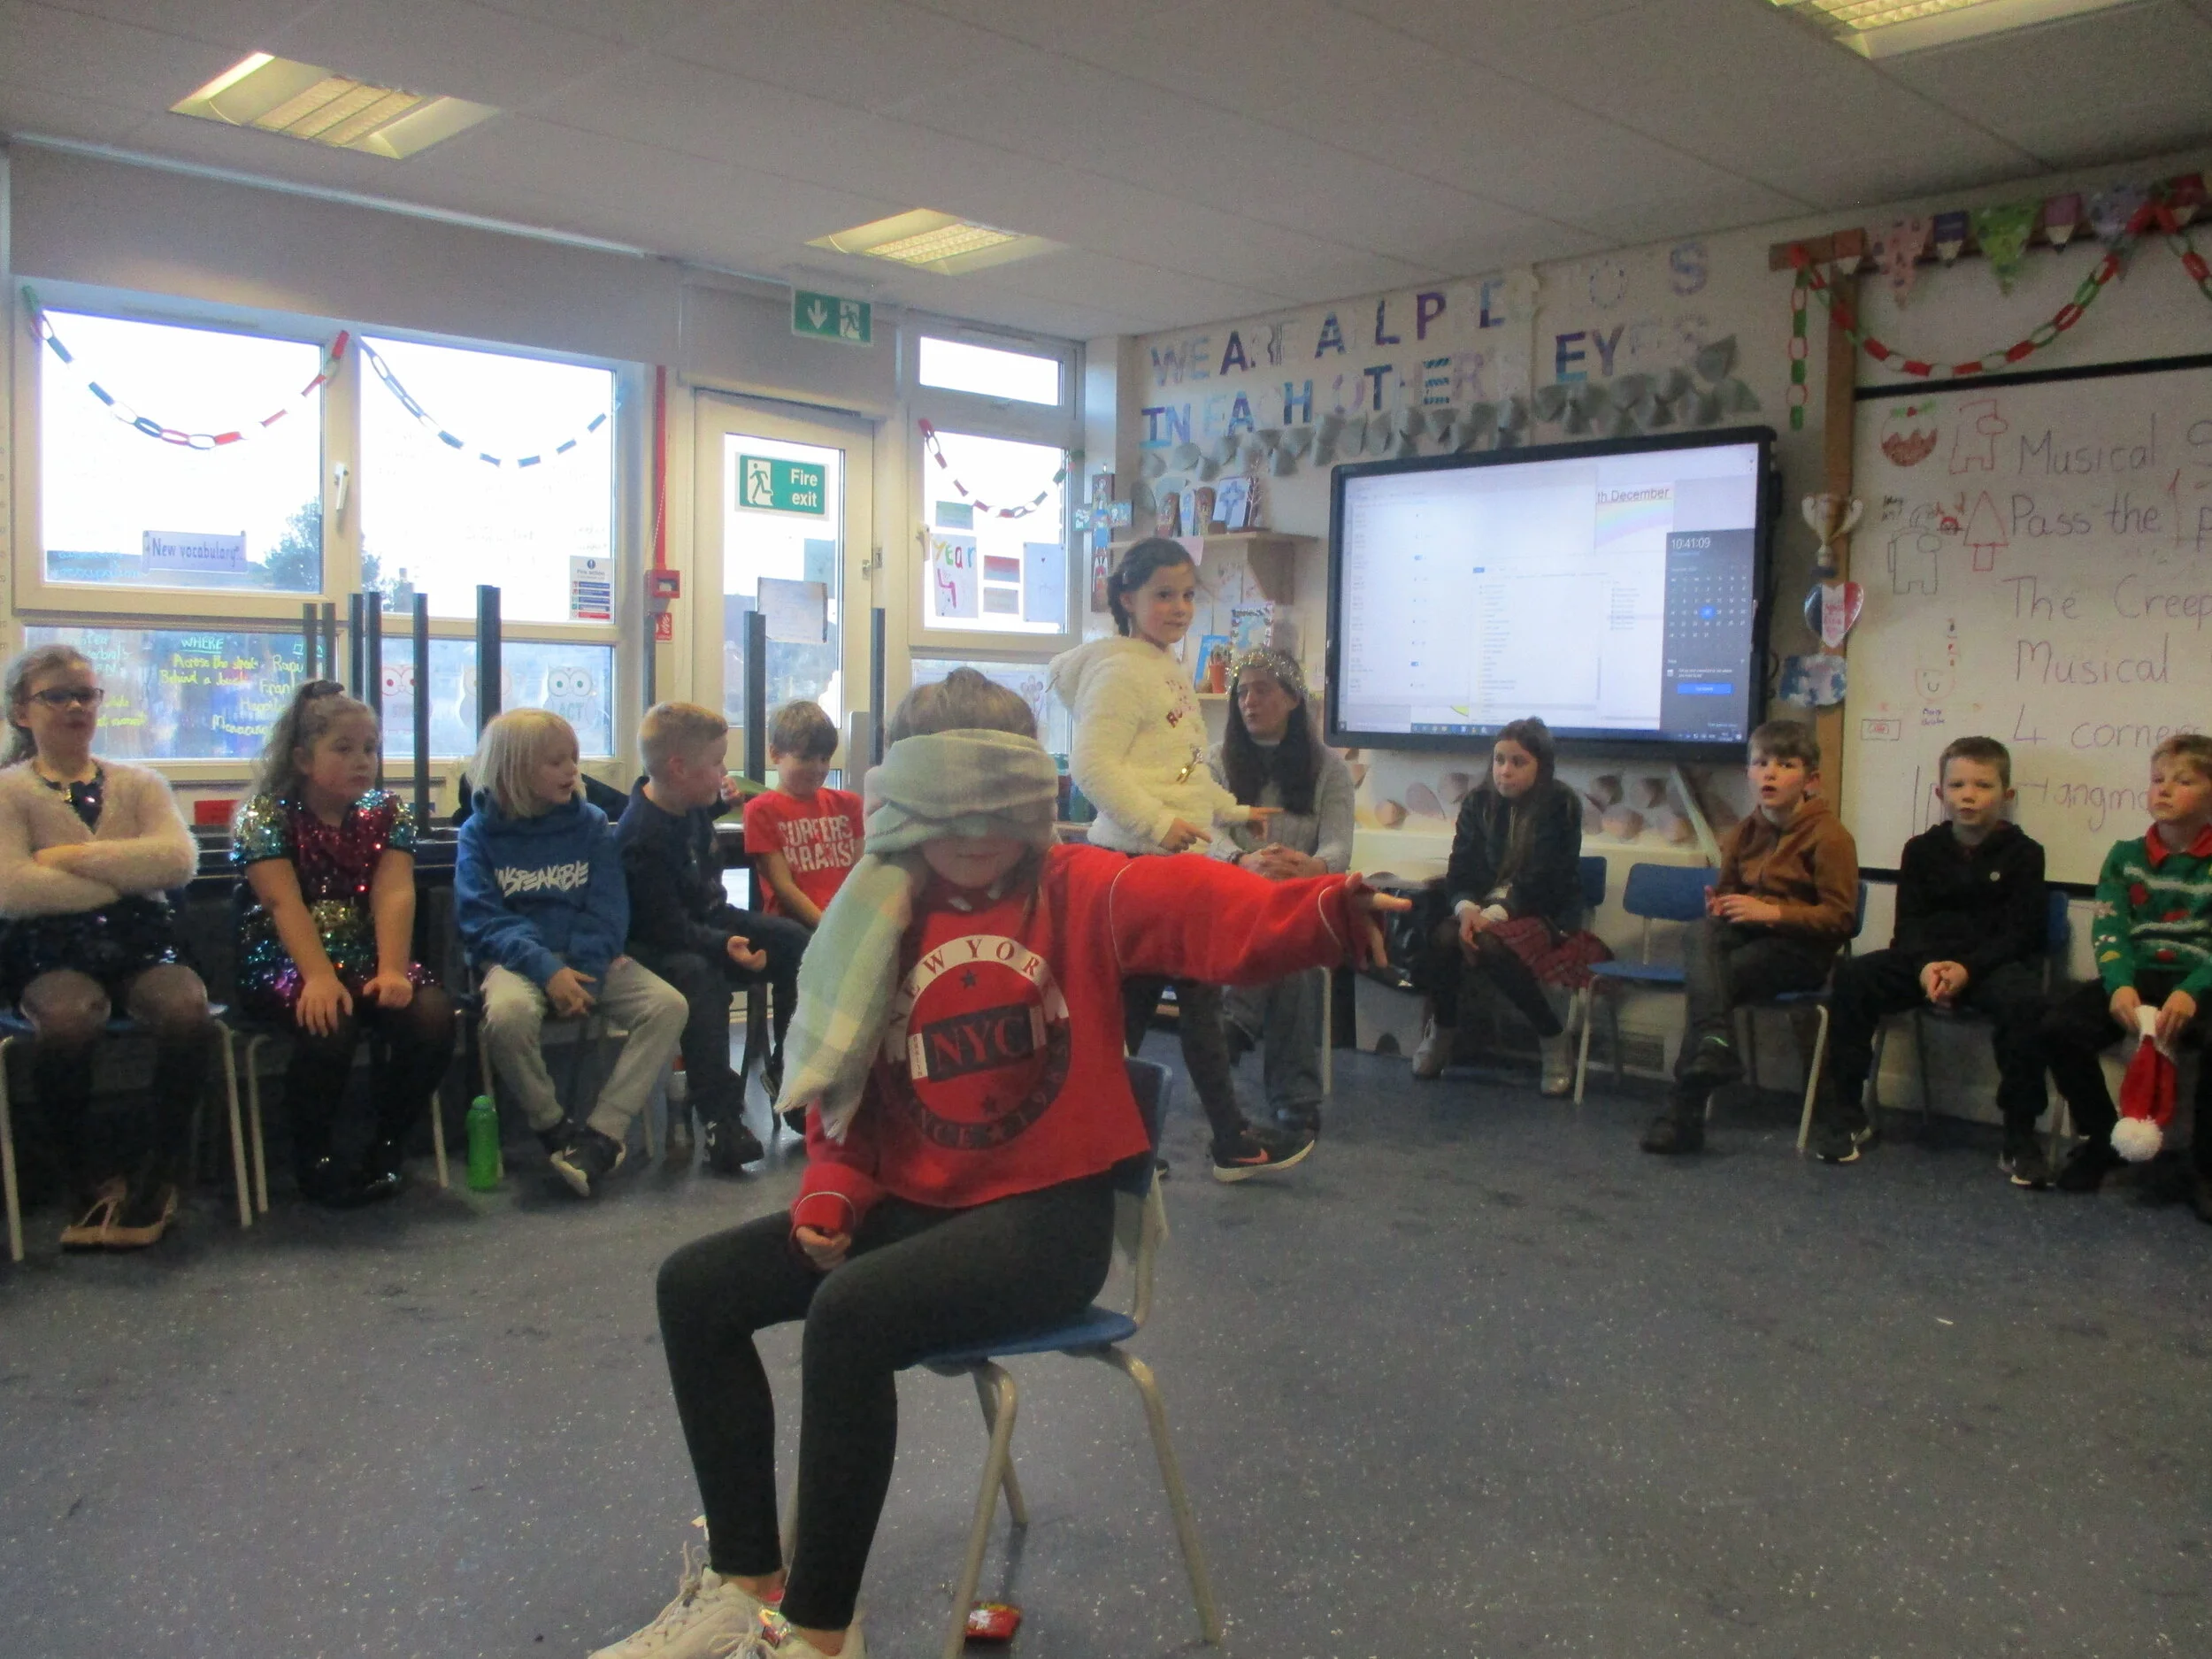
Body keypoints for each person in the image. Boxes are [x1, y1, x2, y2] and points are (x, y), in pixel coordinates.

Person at [595, 668, 1407, 1659]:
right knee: (694, 1288)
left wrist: (1325, 910)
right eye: (949, 810)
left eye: (995, 809)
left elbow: (1200, 903)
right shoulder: (877, 912)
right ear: (907, 806)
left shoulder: (1077, 889)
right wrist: (832, 1189)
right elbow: (847, 1081)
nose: (974, 833)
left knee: (850, 1316)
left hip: (1049, 1222)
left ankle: (817, 1630)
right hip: (920, 1203)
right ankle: (745, 1581)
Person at [1047, 537, 1308, 1182]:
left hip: (1168, 864)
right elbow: (1092, 766)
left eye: (1188, 594)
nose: (1180, 607)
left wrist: (1232, 810)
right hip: (1137, 865)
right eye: (1164, 594)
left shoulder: (1164, 665)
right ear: (1126, 598)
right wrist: (1160, 824)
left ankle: (1126, 1145)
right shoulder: (1119, 670)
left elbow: (1181, 770)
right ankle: (1153, 1144)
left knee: (1168, 1005)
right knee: (1159, 1006)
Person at [0, 643, 214, 1250]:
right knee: (67, 1021)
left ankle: (159, 1172)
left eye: (85, 695)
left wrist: (65, 858)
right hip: (49, 947)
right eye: (56, 696)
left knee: (187, 1011)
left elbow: (177, 861)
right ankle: (81, 1177)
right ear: (22, 712)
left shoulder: (141, 784)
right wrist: (124, 875)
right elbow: (12, 887)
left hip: (142, 942)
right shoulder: (8, 791)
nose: (75, 707)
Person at [233, 680, 457, 1207]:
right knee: (330, 1020)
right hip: (287, 957)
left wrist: (394, 970)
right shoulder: (265, 814)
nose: (362, 761)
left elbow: (394, 892)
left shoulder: (388, 811)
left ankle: (388, 1144)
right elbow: (282, 902)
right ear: (303, 759)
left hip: (367, 954)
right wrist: (316, 976)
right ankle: (314, 1157)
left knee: (432, 1014)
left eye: (370, 749)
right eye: (344, 748)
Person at [457, 709, 686, 1198]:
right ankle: (553, 1127)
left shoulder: (591, 824)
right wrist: (548, 970)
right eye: (555, 762)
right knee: (508, 1016)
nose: (571, 771)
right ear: (514, 769)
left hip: (588, 961)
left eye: (574, 759)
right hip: (518, 963)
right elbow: (483, 919)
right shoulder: (478, 833)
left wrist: (583, 971)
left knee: (668, 1005)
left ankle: (603, 1134)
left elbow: (608, 907)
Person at [1809, 735, 2050, 1177]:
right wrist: (1926, 969)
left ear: (2007, 795)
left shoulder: (2026, 854)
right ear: (1940, 793)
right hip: (1926, 964)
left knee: (2025, 1001)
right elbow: (1909, 927)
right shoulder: (1921, 850)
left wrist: (1967, 969)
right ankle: (1847, 1113)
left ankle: (2020, 1134)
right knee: (1855, 977)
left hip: (1988, 967)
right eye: (1957, 785)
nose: (1968, 795)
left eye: (1983, 785)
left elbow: (2022, 934)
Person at [1641, 718, 1859, 1156]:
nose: (1770, 773)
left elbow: (1841, 919)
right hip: (1747, 938)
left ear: (1811, 780)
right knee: (1701, 932)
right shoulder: (1744, 832)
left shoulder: (1831, 837)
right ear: (1749, 773)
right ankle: (1715, 1045)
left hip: (1800, 952)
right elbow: (1728, 893)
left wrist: (1774, 912)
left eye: (1786, 765)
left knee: (1713, 985)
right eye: (1761, 764)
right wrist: (1721, 905)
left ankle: (1682, 1113)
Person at [616, 702, 807, 1175]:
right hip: (660, 945)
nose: (725, 773)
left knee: (799, 944)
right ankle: (722, 1119)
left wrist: (721, 803)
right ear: (679, 768)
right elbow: (666, 928)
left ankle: (789, 1072)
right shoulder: (641, 835)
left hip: (711, 920)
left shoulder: (688, 803)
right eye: (717, 763)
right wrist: (724, 947)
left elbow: (694, 845)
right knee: (702, 979)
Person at [2041, 733, 2212, 1219]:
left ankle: (2206, 1167)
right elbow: (2110, 927)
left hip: (2199, 979)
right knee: (2060, 1028)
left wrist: (2192, 991)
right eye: (2157, 779)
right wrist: (2119, 985)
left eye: (2183, 781)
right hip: (2137, 975)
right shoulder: (2125, 855)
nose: (2165, 789)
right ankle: (2103, 1141)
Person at [1409, 717, 1599, 1095]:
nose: (1504, 770)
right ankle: (1443, 1029)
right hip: (1482, 910)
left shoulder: (1560, 804)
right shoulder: (1477, 803)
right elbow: (1460, 869)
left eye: (1517, 762)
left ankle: (1552, 1036)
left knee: (1490, 944)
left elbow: (1545, 878)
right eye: (1499, 760)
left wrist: (1491, 915)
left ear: (1541, 766)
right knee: (1443, 937)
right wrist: (1466, 909)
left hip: (1541, 912)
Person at [1208, 648, 1355, 1133]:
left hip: (1298, 897)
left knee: (1293, 946)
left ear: (1293, 699)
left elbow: (1338, 846)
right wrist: (1242, 859)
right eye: (1242, 692)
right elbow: (1206, 833)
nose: (1249, 701)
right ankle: (1295, 1096)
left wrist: (1311, 865)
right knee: (1291, 952)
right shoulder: (1215, 762)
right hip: (1234, 896)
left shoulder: (1329, 768)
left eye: (1262, 690)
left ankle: (1236, 1022)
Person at [742, 697, 866, 1131]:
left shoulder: (847, 804)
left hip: (844, 916)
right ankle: (788, 1068)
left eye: (824, 758)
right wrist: (827, 925)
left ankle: (854, 1077)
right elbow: (783, 887)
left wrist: (853, 920)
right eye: (805, 758)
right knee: (805, 959)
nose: (817, 768)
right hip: (795, 922)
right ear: (775, 755)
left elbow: (859, 871)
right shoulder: (762, 810)